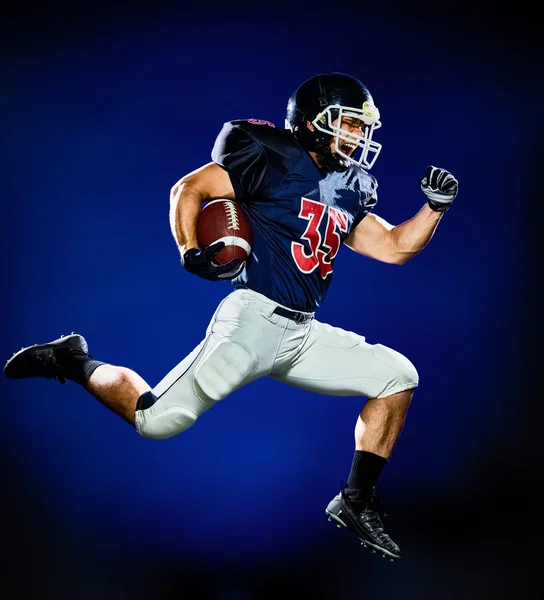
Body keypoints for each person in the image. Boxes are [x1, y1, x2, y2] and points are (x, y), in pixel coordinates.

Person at [4, 72, 458, 561]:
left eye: (360, 127)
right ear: (312, 122)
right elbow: (190, 188)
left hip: (302, 333)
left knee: (397, 375)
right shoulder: (270, 154)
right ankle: (73, 360)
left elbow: (393, 248)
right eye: (348, 124)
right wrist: (190, 248)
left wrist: (435, 208)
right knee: (157, 421)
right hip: (253, 319)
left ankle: (354, 501)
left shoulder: (352, 184)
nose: (357, 137)